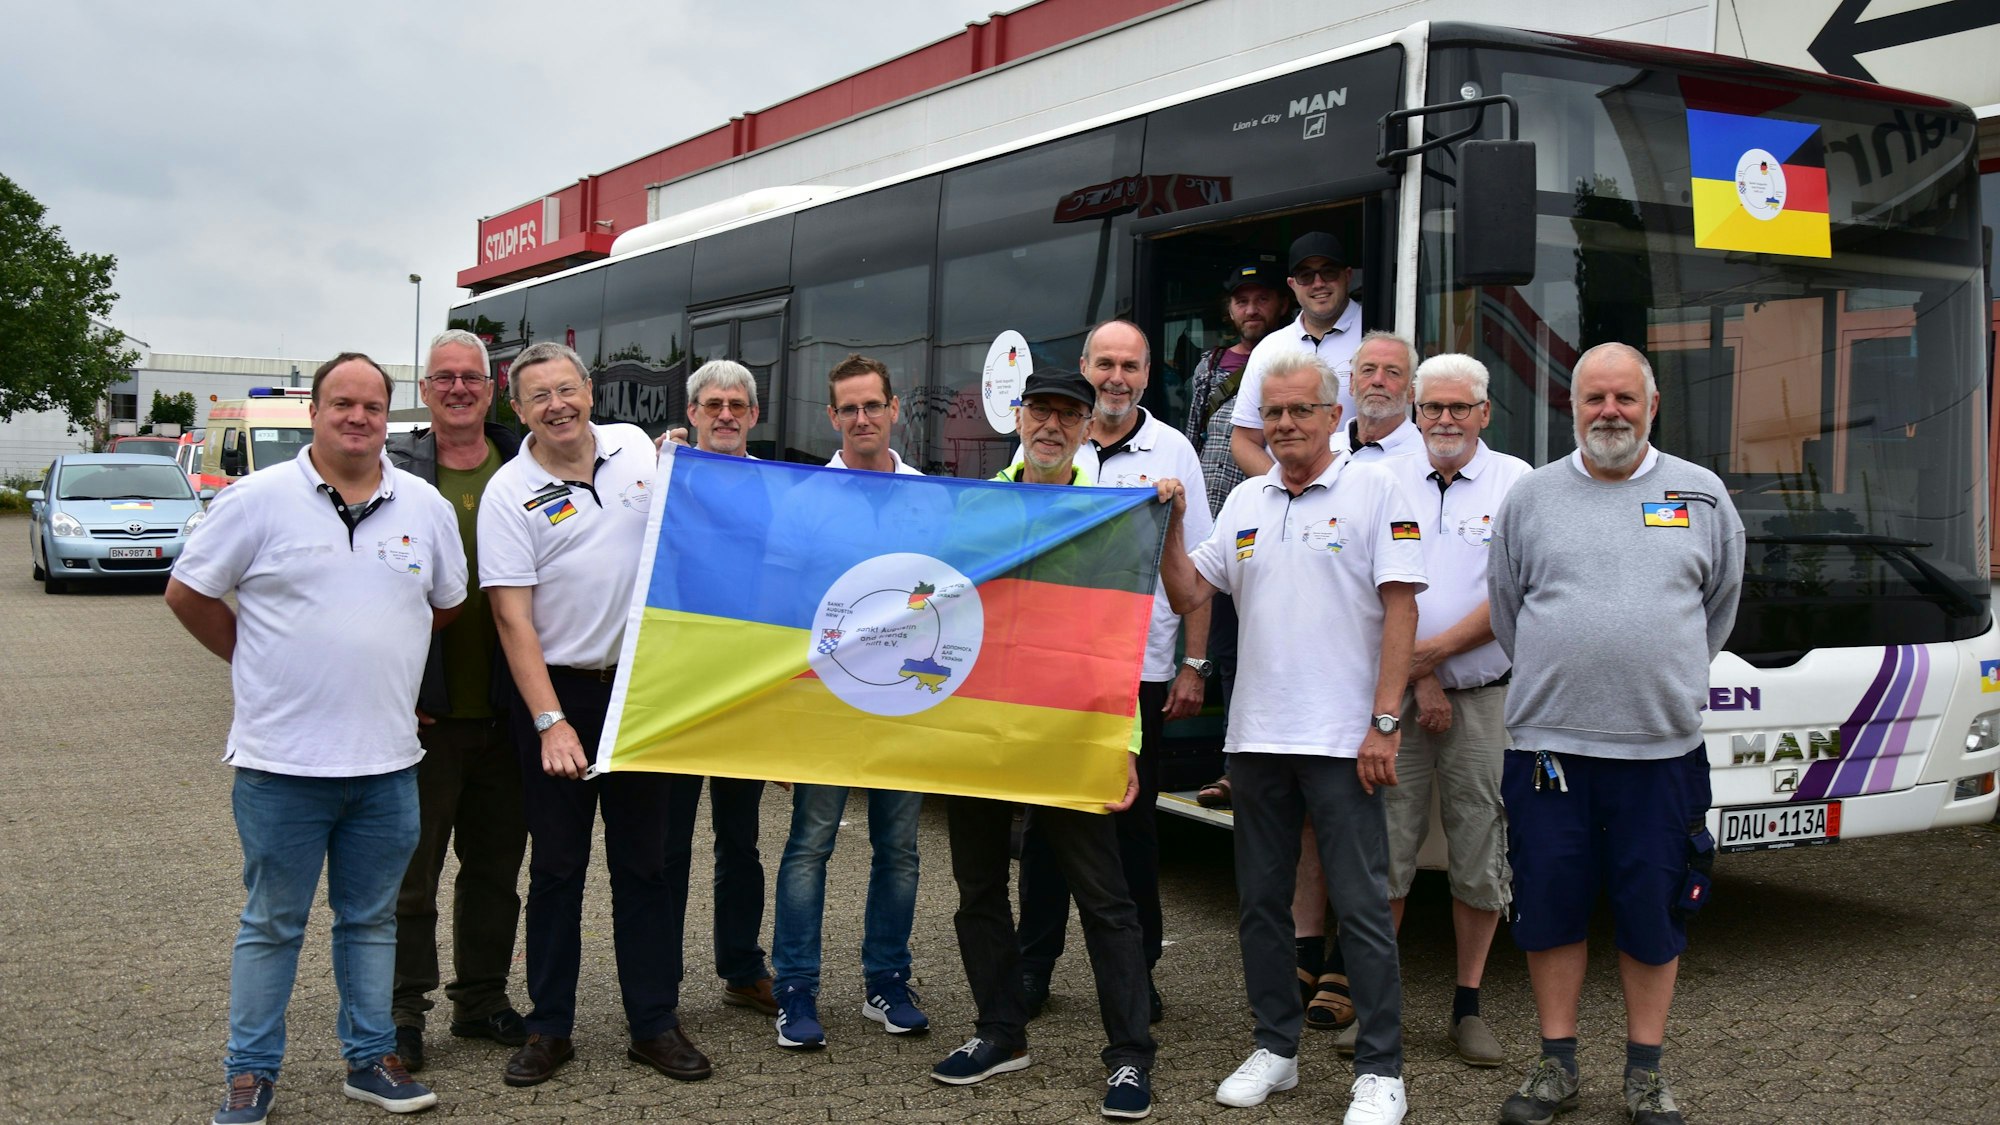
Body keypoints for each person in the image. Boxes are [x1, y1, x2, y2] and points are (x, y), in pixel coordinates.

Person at [167, 352, 463, 1123]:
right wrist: (255, 653)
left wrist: (379, 657)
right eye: (342, 402)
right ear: (315, 410)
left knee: (370, 921)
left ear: (388, 415)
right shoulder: (257, 500)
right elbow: (188, 592)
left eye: (372, 404)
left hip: (389, 766)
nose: (357, 416)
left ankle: (369, 1060)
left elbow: (445, 605)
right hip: (281, 765)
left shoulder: (424, 506)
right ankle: (249, 1071)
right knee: (272, 924)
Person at [1156, 350, 1421, 1125]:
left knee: (1363, 905)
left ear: (1333, 417)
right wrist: (1174, 526)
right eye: (1272, 413)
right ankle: (1276, 1046)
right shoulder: (1244, 500)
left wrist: (1383, 721)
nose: (1285, 425)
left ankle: (1381, 1070)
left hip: (1345, 740)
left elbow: (1402, 610)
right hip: (1257, 738)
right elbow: (1187, 591)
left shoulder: (1378, 487)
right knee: (1262, 904)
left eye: (1301, 410)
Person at [1488, 342, 1744, 1125]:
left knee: (1654, 910)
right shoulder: (1530, 498)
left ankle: (1645, 1073)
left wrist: (1654, 677)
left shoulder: (1701, 496)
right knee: (1549, 904)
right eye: (1594, 397)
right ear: (1572, 407)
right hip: (1547, 753)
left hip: (1659, 752)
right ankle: (1556, 1066)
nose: (1609, 412)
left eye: (1624, 399)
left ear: (1652, 405)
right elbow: (1507, 611)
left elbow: (1720, 604)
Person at [478, 341, 708, 1087]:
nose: (558, 405)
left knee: (646, 864)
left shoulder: (637, 447)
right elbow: (513, 621)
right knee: (556, 869)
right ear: (520, 411)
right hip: (560, 696)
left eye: (567, 388)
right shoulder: (508, 494)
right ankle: (550, 1027)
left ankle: (653, 1023)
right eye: (539, 395)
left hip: (639, 690)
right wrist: (551, 722)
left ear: (590, 390)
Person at [935, 366, 1157, 1122]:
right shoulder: (974, 504)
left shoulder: (1109, 516)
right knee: (977, 890)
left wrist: (1121, 741)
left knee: (1105, 897)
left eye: (1069, 414)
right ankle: (1001, 1030)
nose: (1052, 425)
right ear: (1019, 417)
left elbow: (1116, 642)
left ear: (1090, 427)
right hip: (978, 727)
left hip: (1068, 730)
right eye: (1041, 411)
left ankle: (1129, 1056)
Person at [1016, 321, 1211, 1026]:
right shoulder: (1044, 447)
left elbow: (1199, 572)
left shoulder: (1175, 452)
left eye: (1130, 365)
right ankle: (1033, 966)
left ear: (1147, 373)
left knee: (1132, 826)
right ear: (1085, 367)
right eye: (1106, 364)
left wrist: (1194, 661)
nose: (1116, 377)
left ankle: (1140, 970)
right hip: (1052, 672)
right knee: (1042, 825)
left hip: (1142, 669)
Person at [767, 354, 930, 1050]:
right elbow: (775, 606)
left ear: (895, 408)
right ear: (832, 417)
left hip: (905, 697)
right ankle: (795, 988)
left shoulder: (930, 494)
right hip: (825, 701)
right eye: (849, 409)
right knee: (810, 844)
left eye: (874, 405)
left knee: (900, 847)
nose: (862, 418)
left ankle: (887, 979)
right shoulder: (804, 497)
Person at [1379, 353, 1531, 1070]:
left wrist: (1428, 660)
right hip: (1395, 702)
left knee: (1480, 853)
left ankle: (1468, 1005)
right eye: (1432, 407)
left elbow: (1515, 596)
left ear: (1485, 413)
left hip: (1484, 698)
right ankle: (1380, 1007)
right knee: (1386, 852)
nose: (1444, 420)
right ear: (1414, 410)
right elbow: (1369, 587)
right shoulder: (1381, 479)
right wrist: (1418, 679)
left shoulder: (1519, 485)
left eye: (1459, 408)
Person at [386, 330, 528, 1073]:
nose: (459, 388)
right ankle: (403, 1013)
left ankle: (480, 999)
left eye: (471, 376)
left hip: (510, 710)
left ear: (491, 385)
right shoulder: (394, 469)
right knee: (412, 874)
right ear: (425, 388)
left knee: (495, 871)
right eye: (444, 377)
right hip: (425, 715)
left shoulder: (524, 463)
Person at [680, 360, 779, 1017]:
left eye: (736, 404)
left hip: (748, 690)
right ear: (692, 414)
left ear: (754, 416)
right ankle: (655, 977)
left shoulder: (780, 487)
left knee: (740, 842)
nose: (724, 414)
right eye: (712, 404)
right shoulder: (662, 478)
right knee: (664, 842)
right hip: (679, 686)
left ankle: (742, 967)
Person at [1187, 263, 1288, 811]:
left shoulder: (1290, 362)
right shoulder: (1209, 365)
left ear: (1282, 304)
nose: (1252, 310)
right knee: (1227, 652)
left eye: (1262, 299)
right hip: (1223, 523)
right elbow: (1196, 436)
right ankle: (1233, 767)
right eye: (1241, 300)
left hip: (1277, 523)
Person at [1228, 231, 1365, 477]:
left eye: (1329, 272)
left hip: (1360, 497)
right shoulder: (1270, 348)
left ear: (1347, 276)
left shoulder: (1377, 335)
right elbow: (1244, 441)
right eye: (1306, 275)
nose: (1318, 283)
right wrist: (1287, 488)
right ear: (1292, 284)